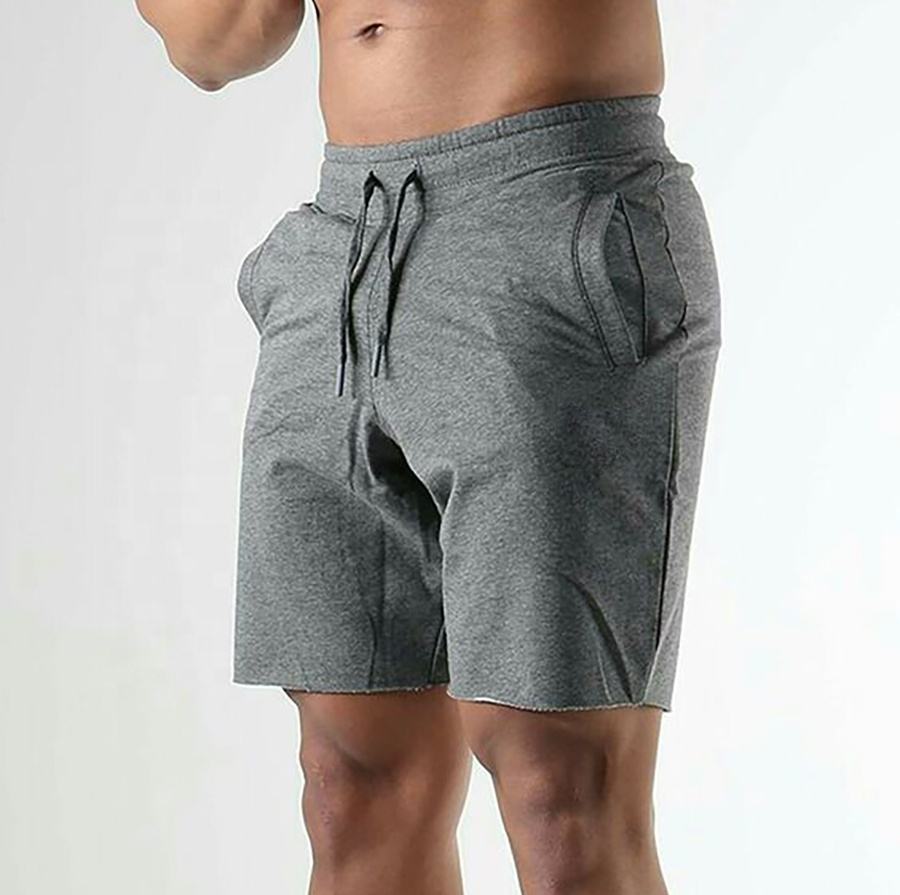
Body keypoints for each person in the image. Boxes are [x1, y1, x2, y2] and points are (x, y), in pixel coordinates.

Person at [137, 2, 722, 893]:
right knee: (351, 787)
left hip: (548, 198)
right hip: (346, 243)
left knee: (561, 784)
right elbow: (217, 41)